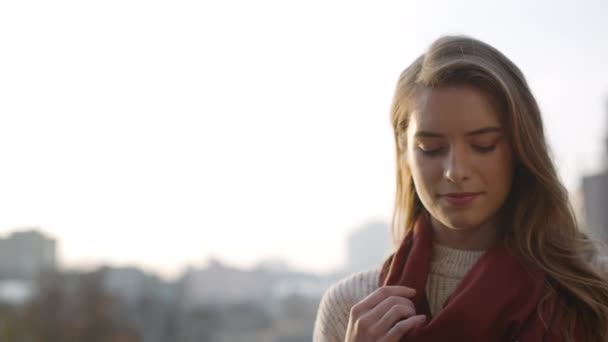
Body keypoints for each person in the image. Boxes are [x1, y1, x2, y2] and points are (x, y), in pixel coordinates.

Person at [312, 35, 608, 342]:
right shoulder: (350, 308)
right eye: (431, 148)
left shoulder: (593, 291)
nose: (456, 171)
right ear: (405, 151)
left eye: (484, 145)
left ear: (520, 148)